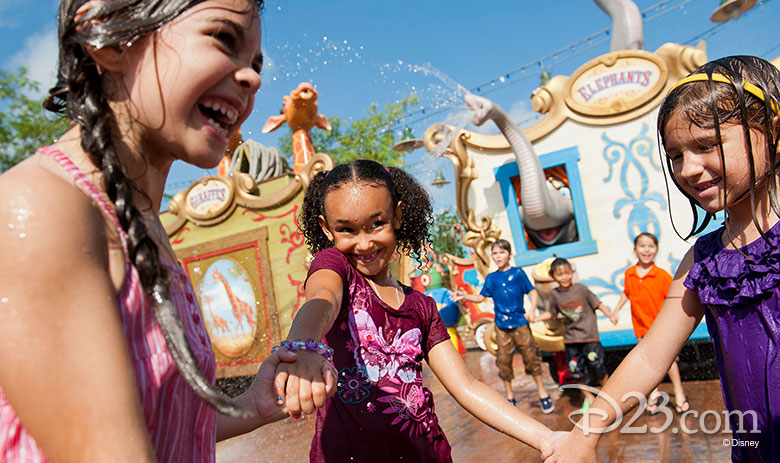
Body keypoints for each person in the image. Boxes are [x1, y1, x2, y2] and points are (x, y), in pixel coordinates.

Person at [0, 1, 334, 461]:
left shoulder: (146, 225)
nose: (255, 78)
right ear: (107, 34)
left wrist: (252, 404)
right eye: (222, 37)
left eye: (255, 63)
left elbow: (160, 426)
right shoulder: (42, 208)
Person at [541, 55, 780, 463]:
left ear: (775, 133)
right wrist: (587, 432)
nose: (687, 169)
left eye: (706, 145)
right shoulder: (704, 262)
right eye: (675, 156)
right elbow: (651, 356)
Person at [273, 160, 553, 462]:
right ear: (327, 229)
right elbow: (322, 298)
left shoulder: (422, 308)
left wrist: (546, 438)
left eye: (376, 224)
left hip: (425, 453)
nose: (364, 242)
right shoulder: (337, 269)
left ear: (398, 216)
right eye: (347, 229)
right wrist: (303, 346)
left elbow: (467, 386)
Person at [450, 239, 555, 413]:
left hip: (521, 323)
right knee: (504, 361)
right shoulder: (491, 278)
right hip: (501, 326)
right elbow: (481, 297)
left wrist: (533, 310)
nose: (498, 256)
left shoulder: (518, 273)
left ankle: (543, 394)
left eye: (502, 252)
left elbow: (532, 291)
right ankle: (510, 396)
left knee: (531, 357)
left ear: (509, 254)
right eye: (495, 253)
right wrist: (465, 296)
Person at [613, 232, 689, 414]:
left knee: (669, 363)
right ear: (635, 249)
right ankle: (653, 393)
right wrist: (615, 310)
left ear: (656, 250)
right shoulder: (630, 273)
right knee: (648, 365)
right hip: (641, 328)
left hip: (660, 329)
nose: (646, 250)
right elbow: (627, 292)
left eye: (651, 246)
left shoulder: (661, 276)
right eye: (642, 246)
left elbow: (674, 299)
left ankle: (679, 392)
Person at [531, 257, 618, 412]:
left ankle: (609, 395)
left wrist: (610, 315)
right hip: (571, 339)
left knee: (598, 366)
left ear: (572, 273)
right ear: (553, 277)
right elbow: (551, 313)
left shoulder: (581, 289)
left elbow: (597, 303)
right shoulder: (554, 295)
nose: (564, 277)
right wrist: (537, 317)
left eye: (567, 273)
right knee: (576, 370)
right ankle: (588, 397)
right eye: (560, 274)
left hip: (589, 336)